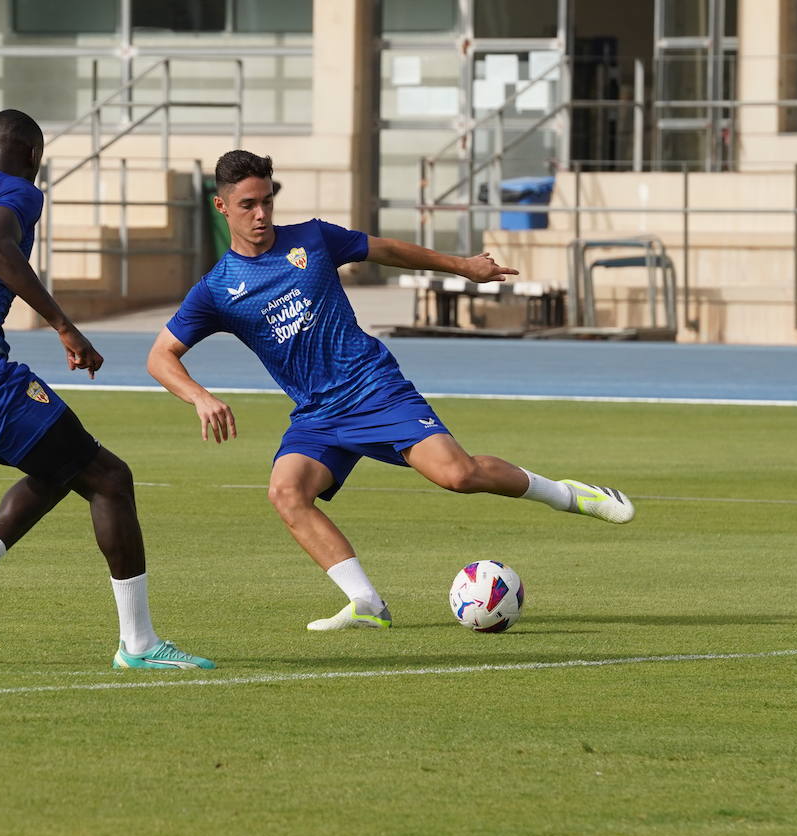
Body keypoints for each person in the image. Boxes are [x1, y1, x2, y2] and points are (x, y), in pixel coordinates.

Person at [147, 150, 634, 632]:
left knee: (457, 475)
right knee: (287, 492)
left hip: (374, 388)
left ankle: (566, 495)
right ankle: (365, 603)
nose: (261, 214)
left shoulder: (312, 238)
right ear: (222, 207)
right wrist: (200, 396)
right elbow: (160, 357)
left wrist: (462, 266)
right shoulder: (216, 289)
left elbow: (387, 250)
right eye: (249, 204)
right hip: (318, 414)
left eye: (267, 201)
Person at [0, 109, 213, 669]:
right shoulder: (18, 191)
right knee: (109, 478)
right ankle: (137, 645)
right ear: (35, 160)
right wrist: (64, 325)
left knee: (58, 468)